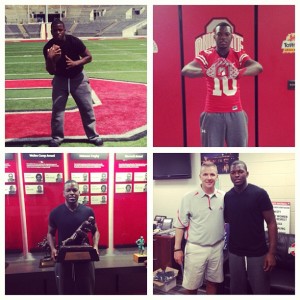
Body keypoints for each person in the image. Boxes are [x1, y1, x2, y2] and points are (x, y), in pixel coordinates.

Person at [181, 22, 263, 147]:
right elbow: (186, 70)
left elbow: (258, 67)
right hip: (212, 112)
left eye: (226, 34)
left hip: (236, 111)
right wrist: (206, 72)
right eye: (219, 34)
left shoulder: (238, 54)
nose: (223, 37)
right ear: (214, 37)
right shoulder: (206, 54)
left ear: (231, 37)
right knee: (210, 150)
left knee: (241, 148)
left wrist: (239, 72)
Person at [43, 19, 103, 147]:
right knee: (57, 110)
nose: (58, 32)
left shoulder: (74, 41)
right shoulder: (48, 47)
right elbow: (50, 72)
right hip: (60, 79)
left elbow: (89, 57)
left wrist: (76, 63)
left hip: (78, 78)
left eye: (60, 30)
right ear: (51, 31)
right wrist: (50, 59)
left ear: (64, 30)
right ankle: (57, 137)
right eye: (55, 30)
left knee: (87, 108)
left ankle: (93, 135)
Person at [224, 160, 277, 294]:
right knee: (236, 291)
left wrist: (271, 253)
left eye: (240, 172)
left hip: (257, 252)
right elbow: (228, 222)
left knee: (260, 291)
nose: (237, 175)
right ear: (230, 175)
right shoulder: (228, 197)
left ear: (247, 174)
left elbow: (271, 222)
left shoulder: (259, 194)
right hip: (235, 252)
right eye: (233, 172)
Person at [174, 162, 225, 294]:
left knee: (212, 283)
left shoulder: (224, 197)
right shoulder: (188, 198)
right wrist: (177, 249)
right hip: (196, 248)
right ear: (200, 176)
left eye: (212, 174)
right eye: (205, 174)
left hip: (217, 248)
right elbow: (180, 225)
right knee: (191, 286)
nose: (209, 177)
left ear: (217, 176)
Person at [47, 180, 100, 294]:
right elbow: (50, 233)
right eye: (68, 190)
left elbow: (95, 231)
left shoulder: (88, 211)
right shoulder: (55, 212)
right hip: (63, 256)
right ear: (63, 193)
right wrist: (53, 249)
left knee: (86, 289)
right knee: (65, 290)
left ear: (79, 193)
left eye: (74, 190)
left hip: (85, 256)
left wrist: (95, 246)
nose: (72, 193)